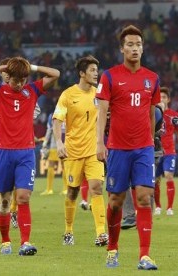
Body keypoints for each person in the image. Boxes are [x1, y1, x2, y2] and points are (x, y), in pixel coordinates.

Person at [0, 56, 60, 255]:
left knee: (23, 197)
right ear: (8, 76)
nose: (19, 83)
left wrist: (32, 67)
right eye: (16, 79)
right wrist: (5, 66)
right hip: (3, 152)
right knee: (4, 201)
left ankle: (25, 242)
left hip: (25, 152)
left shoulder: (32, 91)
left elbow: (56, 74)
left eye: (23, 79)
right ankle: (5, 241)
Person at [96, 25, 159, 270]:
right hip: (118, 149)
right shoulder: (110, 76)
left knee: (144, 198)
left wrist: (151, 140)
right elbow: (102, 112)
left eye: (138, 44)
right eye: (130, 45)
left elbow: (152, 113)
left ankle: (144, 256)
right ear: (122, 48)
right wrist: (100, 142)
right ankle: (112, 248)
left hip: (143, 147)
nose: (135, 48)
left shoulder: (152, 78)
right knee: (115, 201)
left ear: (143, 48)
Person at [52, 55, 108, 247]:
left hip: (94, 150)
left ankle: (101, 233)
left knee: (96, 188)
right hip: (73, 152)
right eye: (92, 70)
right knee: (73, 193)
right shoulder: (68, 95)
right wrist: (59, 143)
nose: (96, 74)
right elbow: (57, 120)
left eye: (96, 70)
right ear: (82, 73)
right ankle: (68, 231)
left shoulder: (99, 94)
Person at [0, 57, 42, 228]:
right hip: (0, 144)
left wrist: (21, 121)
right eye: (5, 73)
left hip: (22, 144)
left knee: (21, 189)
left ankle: (14, 213)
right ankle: (4, 210)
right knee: (1, 187)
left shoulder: (27, 93)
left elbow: (35, 110)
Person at [154, 87, 176, 216]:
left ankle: (169, 208)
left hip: (169, 151)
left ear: (168, 100)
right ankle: (158, 206)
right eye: (160, 97)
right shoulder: (155, 113)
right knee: (156, 179)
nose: (161, 99)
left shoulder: (174, 115)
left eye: (164, 97)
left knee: (168, 175)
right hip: (156, 151)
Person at [40, 112, 66, 195]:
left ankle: (49, 189)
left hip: (55, 144)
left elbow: (49, 130)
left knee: (52, 164)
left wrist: (45, 143)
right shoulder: (69, 113)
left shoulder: (52, 115)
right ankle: (65, 189)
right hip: (67, 143)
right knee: (65, 166)